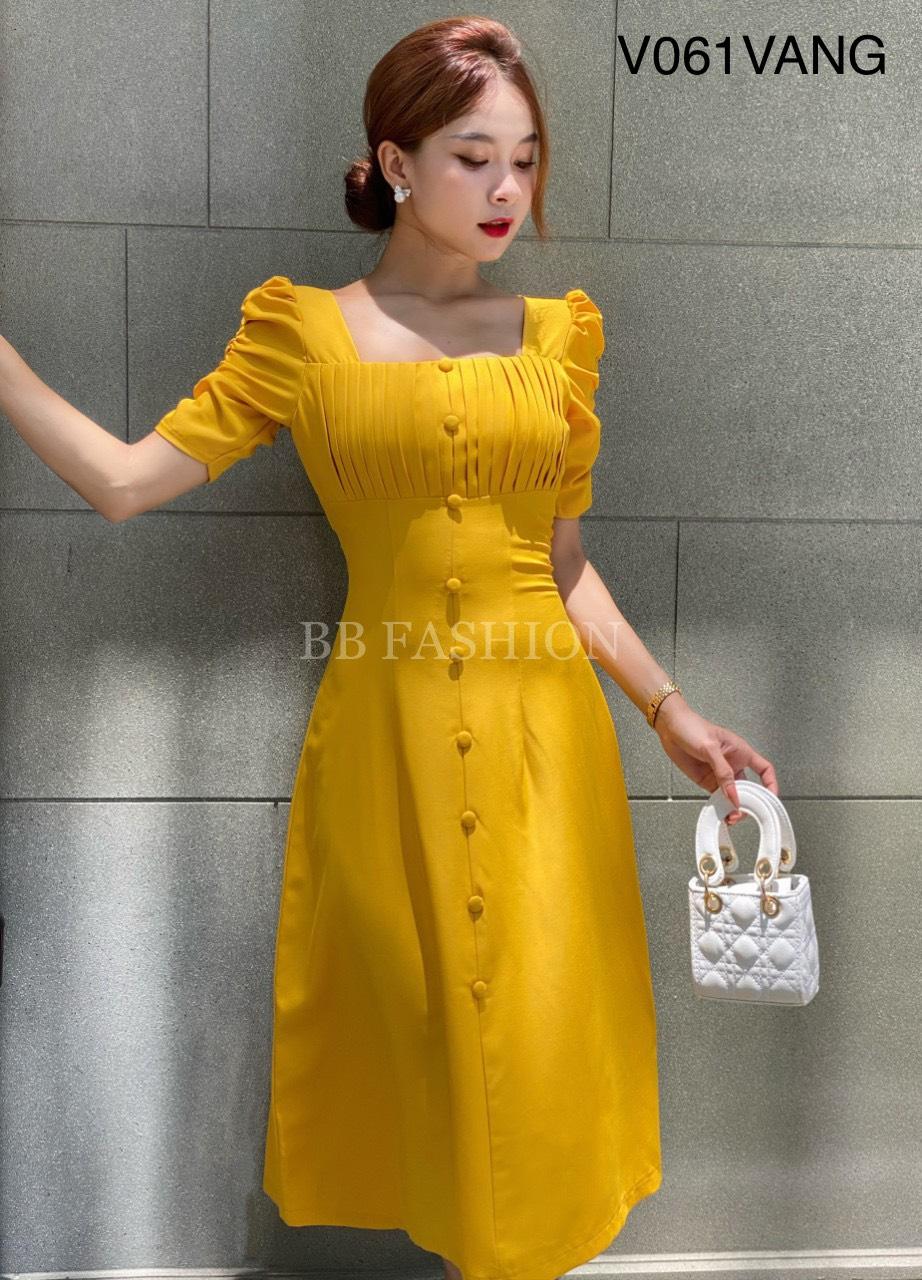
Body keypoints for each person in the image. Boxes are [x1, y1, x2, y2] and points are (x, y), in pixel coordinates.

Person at [0, 16, 778, 1280]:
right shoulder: (300, 333)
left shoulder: (558, 337)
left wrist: (667, 709)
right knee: (425, 1035)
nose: (507, 189)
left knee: (536, 1042)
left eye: (524, 158)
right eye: (474, 156)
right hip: (387, 742)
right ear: (398, 162)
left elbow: (562, 563)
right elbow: (125, 482)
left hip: (543, 745)